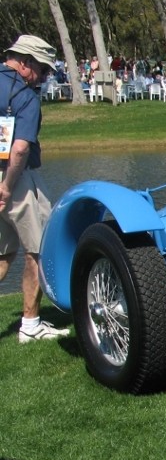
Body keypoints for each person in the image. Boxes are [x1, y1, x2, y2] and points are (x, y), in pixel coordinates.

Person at [0, 35, 70, 342]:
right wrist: (6, 187)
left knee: (3, 252)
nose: (43, 77)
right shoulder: (25, 97)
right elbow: (19, 150)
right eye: (42, 69)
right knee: (39, 248)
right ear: (26, 63)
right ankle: (30, 325)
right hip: (14, 180)